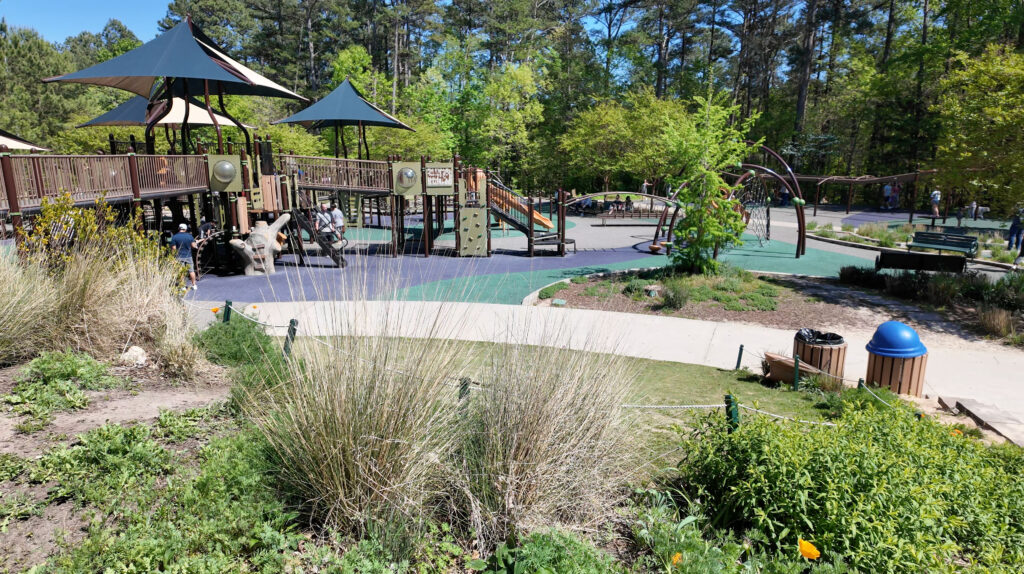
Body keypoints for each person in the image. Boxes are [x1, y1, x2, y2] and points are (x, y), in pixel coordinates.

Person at [171, 223, 198, 290]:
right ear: (185, 229)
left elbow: (174, 249)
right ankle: (194, 285)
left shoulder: (174, 237)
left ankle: (183, 286)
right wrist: (195, 242)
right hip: (188, 256)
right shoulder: (190, 236)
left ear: (179, 228)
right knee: (191, 271)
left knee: (181, 271)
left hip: (179, 257)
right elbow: (193, 246)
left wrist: (173, 256)